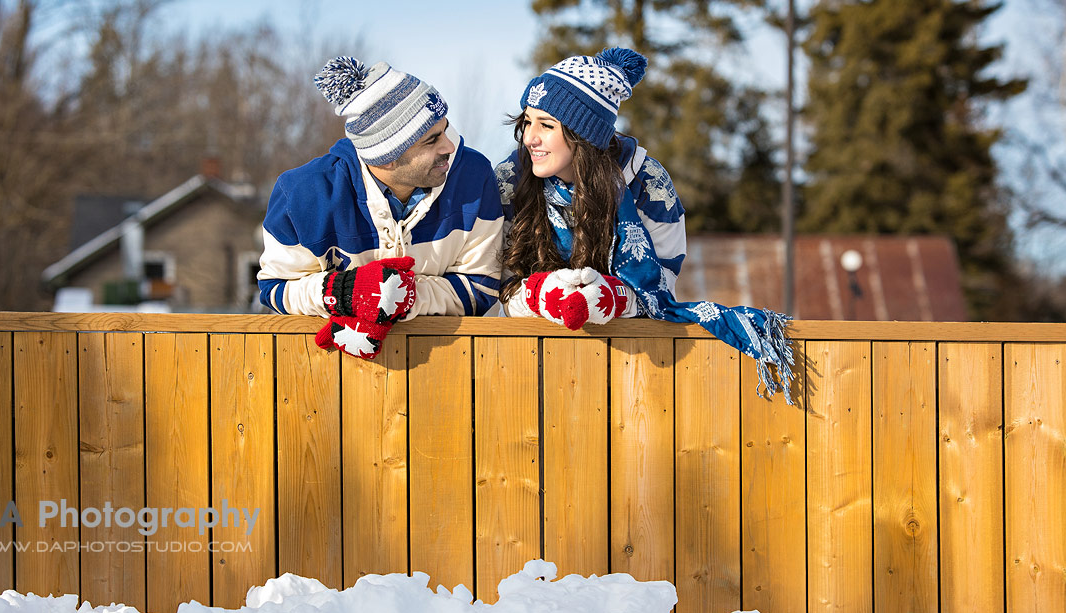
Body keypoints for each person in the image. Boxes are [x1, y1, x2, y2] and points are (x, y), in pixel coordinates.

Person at [494, 47, 794, 400]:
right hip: (528, 362)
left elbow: (661, 287)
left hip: (630, 367)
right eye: (527, 121)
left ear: (583, 134)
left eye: (546, 125)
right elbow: (497, 283)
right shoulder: (509, 181)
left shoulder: (649, 184)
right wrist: (542, 294)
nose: (530, 137)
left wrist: (610, 297)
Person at [258, 56, 503, 359]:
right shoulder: (304, 195)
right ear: (386, 157)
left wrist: (403, 296)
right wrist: (343, 292)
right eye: (432, 140)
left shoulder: (473, 176)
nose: (449, 147)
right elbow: (275, 289)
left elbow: (482, 287)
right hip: (325, 374)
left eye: (446, 128)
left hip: (447, 366)